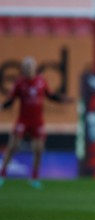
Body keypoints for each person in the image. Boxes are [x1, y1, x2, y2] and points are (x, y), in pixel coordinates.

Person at [0, 56, 72, 189]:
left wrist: (63, 100)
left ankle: (34, 177)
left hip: (37, 120)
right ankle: (3, 173)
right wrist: (3, 106)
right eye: (26, 67)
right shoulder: (19, 83)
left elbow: (50, 95)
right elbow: (11, 100)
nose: (28, 70)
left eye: (30, 67)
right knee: (12, 146)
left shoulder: (41, 82)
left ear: (34, 68)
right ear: (23, 69)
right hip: (23, 119)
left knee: (38, 149)